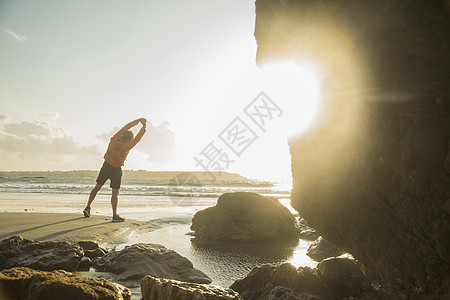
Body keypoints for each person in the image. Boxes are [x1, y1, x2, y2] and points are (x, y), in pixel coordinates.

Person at [83, 118, 147, 222]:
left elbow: (125, 128)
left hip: (106, 166)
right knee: (115, 193)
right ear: (129, 139)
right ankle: (114, 215)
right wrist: (143, 128)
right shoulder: (127, 146)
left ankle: (87, 207)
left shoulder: (114, 139)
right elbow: (137, 140)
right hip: (116, 170)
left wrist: (137, 121)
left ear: (122, 135)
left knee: (97, 187)